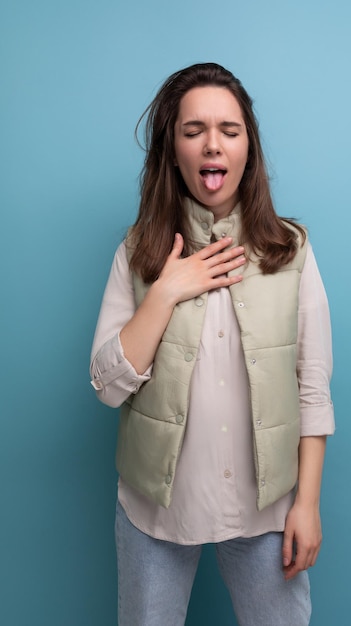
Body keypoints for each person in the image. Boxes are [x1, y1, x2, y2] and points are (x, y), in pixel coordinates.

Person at [90, 62, 335, 626]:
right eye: (192, 129)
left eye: (229, 129)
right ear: (171, 148)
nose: (212, 145)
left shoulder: (291, 250)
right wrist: (166, 291)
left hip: (266, 508)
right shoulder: (136, 252)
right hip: (156, 510)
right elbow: (105, 386)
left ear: (249, 146)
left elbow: (313, 385)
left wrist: (307, 504)